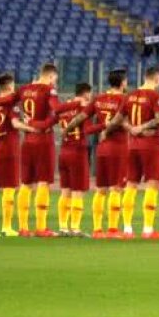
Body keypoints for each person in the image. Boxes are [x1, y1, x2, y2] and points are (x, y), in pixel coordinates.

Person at [122, 65, 159, 240]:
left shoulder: (130, 95)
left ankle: (127, 229)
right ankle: (148, 229)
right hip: (150, 145)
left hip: (132, 145)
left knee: (131, 184)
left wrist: (132, 129)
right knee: (152, 184)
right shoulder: (155, 95)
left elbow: (120, 120)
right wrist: (143, 127)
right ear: (157, 79)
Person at [0, 73, 32, 236]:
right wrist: (32, 128)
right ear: (10, 86)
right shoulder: (11, 105)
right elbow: (15, 123)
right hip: (9, 150)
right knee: (9, 189)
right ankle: (6, 226)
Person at [16, 63, 62, 237]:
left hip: (27, 140)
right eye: (55, 79)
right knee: (43, 182)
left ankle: (23, 227)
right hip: (43, 140)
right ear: (50, 76)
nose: (55, 83)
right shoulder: (48, 90)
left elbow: (12, 106)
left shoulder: (24, 89)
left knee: (26, 184)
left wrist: (27, 122)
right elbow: (57, 110)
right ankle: (41, 227)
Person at [88, 69, 129, 239]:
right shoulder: (124, 100)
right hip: (118, 147)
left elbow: (86, 122)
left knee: (100, 189)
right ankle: (112, 229)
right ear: (122, 82)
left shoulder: (98, 99)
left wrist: (101, 129)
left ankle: (97, 229)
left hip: (102, 148)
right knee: (116, 188)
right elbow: (124, 122)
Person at [53, 84, 97, 236]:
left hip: (63, 151)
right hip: (77, 152)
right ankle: (75, 228)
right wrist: (105, 125)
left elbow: (54, 116)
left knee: (65, 191)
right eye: (90, 94)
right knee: (78, 191)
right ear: (86, 94)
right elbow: (87, 130)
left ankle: (63, 227)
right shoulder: (82, 108)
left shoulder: (65, 106)